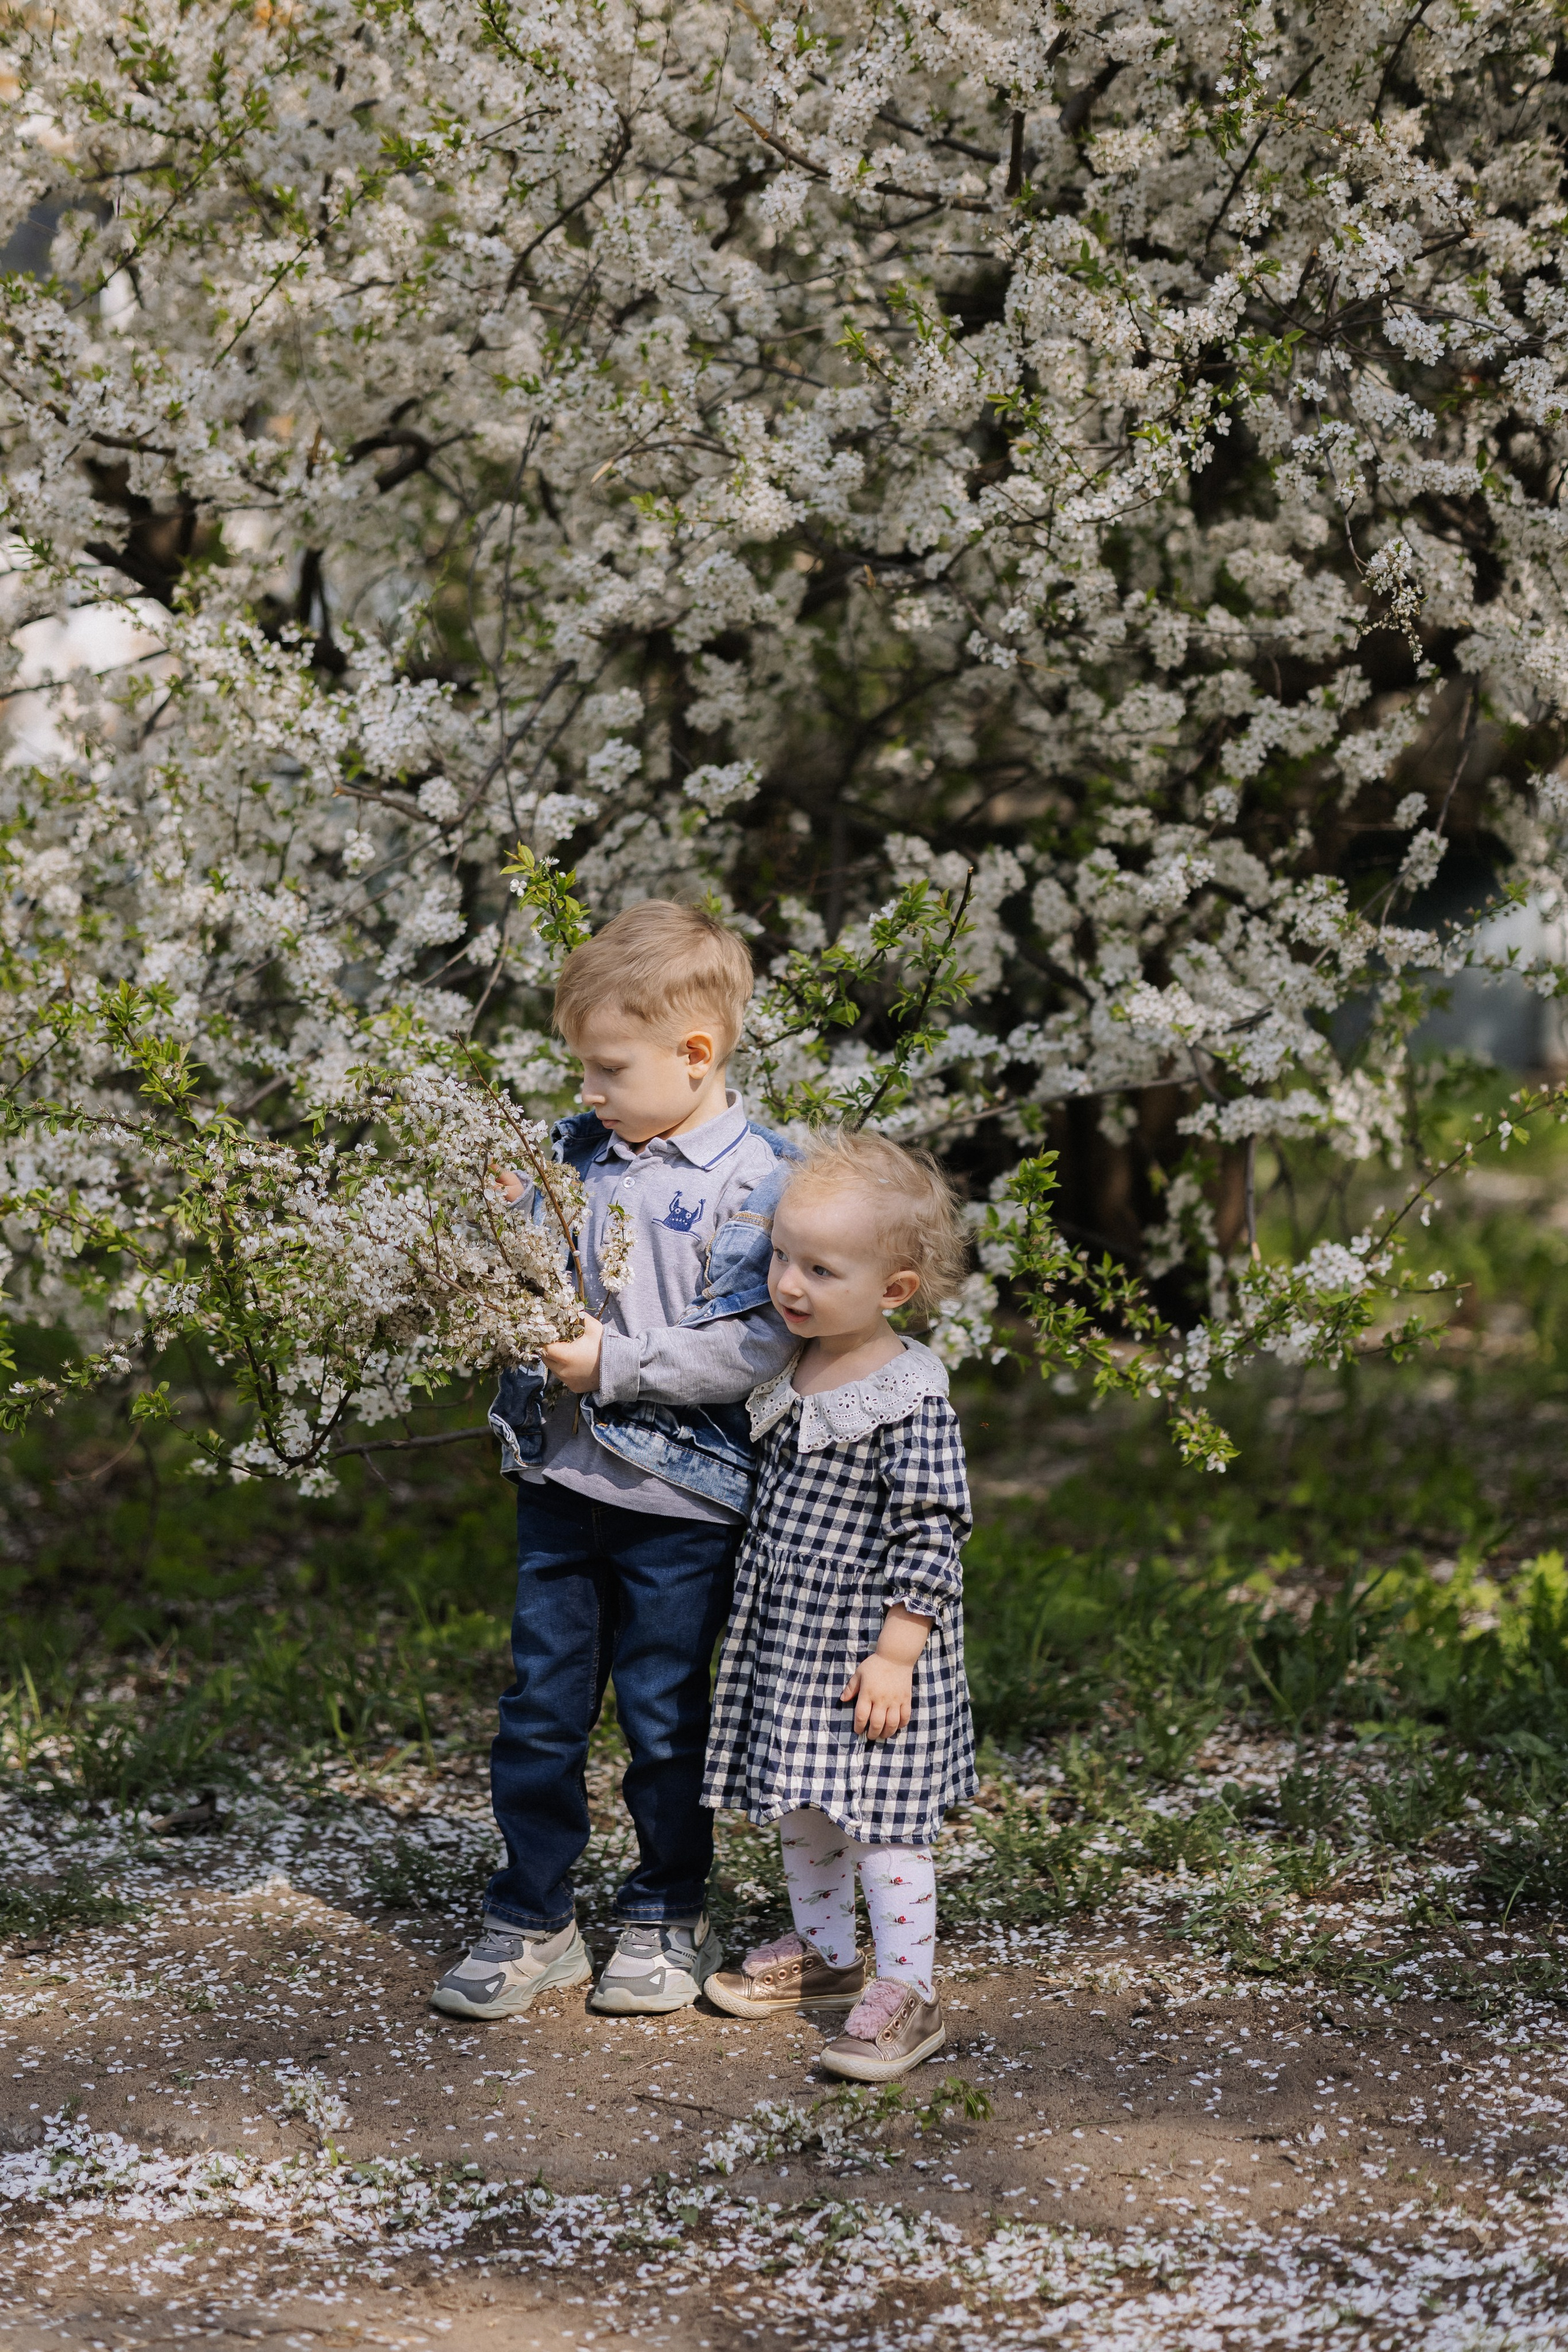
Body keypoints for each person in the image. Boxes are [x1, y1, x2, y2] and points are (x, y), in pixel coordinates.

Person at [431, 901, 798, 2021]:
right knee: (538, 1711)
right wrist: (505, 1223)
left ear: (696, 1055)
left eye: (605, 1070)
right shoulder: (576, 1152)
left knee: (663, 1716)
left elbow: (758, 1339)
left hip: (681, 1504)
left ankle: (666, 1908)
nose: (587, 1092)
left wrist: (620, 1366)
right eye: (582, 1071)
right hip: (561, 1485)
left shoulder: (760, 1184)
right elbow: (534, 1271)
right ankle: (535, 1915)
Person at [701, 1129, 977, 2082]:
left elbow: (933, 1528)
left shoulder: (907, 1399)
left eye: (819, 1268)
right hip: (795, 1648)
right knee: (808, 1814)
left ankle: (909, 1991)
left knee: (885, 1828)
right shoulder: (792, 1369)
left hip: (870, 1654)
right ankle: (826, 1958)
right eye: (782, 1255)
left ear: (894, 1290)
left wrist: (899, 1652)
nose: (788, 1282)